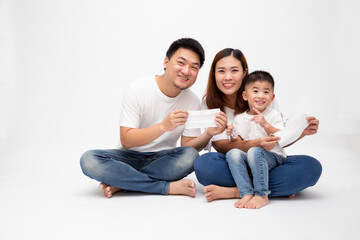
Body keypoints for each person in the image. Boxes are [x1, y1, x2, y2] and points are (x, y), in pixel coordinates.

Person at [80, 38, 227, 198]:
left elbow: (188, 146)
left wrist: (209, 134)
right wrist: (164, 126)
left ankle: (123, 183)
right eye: (181, 63)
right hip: (127, 157)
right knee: (89, 160)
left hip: (162, 159)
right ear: (166, 62)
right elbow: (126, 140)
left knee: (191, 156)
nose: (186, 71)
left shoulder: (192, 100)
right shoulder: (138, 89)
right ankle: (164, 187)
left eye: (194, 67)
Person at [194, 48, 322, 203]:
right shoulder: (209, 103)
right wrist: (254, 143)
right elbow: (222, 146)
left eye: (234, 70)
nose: (228, 77)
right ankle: (269, 188)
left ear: (244, 72)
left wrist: (301, 132)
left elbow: (279, 137)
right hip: (237, 162)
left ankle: (238, 191)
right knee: (204, 164)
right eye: (221, 71)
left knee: (311, 166)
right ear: (214, 74)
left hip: (268, 161)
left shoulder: (262, 95)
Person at [226, 70, 290, 209]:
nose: (261, 96)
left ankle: (261, 194)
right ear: (245, 95)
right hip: (250, 157)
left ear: (272, 97)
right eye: (255, 91)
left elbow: (282, 136)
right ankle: (246, 192)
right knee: (232, 153)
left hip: (273, 157)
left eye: (266, 92)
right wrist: (232, 135)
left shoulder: (274, 115)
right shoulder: (240, 118)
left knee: (255, 151)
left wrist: (265, 124)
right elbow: (240, 142)